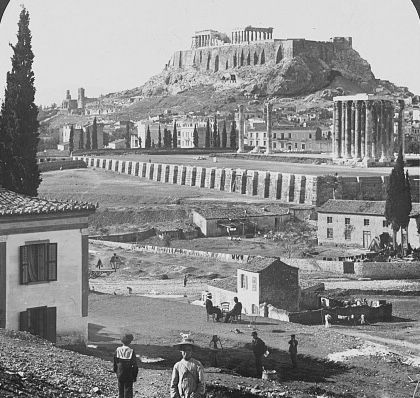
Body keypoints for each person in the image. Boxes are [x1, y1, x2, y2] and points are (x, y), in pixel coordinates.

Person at [170, 334, 205, 398]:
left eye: (189, 350)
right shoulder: (177, 366)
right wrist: (176, 396)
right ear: (181, 351)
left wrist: (196, 394)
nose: (186, 352)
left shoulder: (197, 365)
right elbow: (173, 385)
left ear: (192, 351)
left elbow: (201, 383)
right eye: (184, 350)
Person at [113, 333, 139, 398]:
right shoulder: (131, 351)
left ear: (121, 341)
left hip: (120, 372)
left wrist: (116, 371)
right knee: (128, 390)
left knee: (120, 390)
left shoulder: (118, 350)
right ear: (130, 342)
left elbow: (115, 362)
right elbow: (135, 366)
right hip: (128, 374)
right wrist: (134, 376)